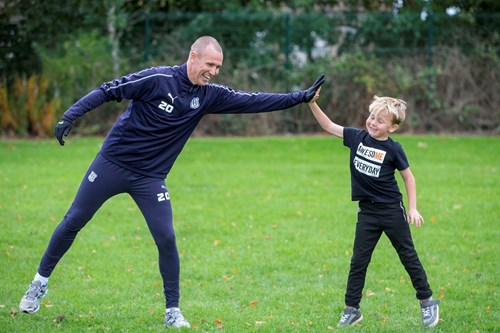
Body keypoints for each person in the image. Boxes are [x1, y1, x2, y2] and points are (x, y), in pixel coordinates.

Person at [19, 35, 324, 328]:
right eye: (210, 64)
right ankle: (38, 284)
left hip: (150, 179)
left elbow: (254, 101)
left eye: (218, 67)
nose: (214, 72)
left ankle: (172, 311)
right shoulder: (157, 79)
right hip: (112, 164)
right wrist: (70, 116)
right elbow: (108, 90)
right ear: (193, 57)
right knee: (74, 219)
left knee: (166, 238)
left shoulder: (208, 95)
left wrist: (301, 97)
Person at [307, 89, 440, 328]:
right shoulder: (357, 137)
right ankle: (352, 310)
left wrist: (412, 208)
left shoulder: (394, 149)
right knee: (359, 261)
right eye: (371, 117)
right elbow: (328, 125)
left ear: (393, 127)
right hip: (367, 213)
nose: (373, 122)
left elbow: (408, 178)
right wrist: (311, 103)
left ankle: (427, 302)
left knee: (407, 256)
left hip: (391, 211)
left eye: (380, 120)